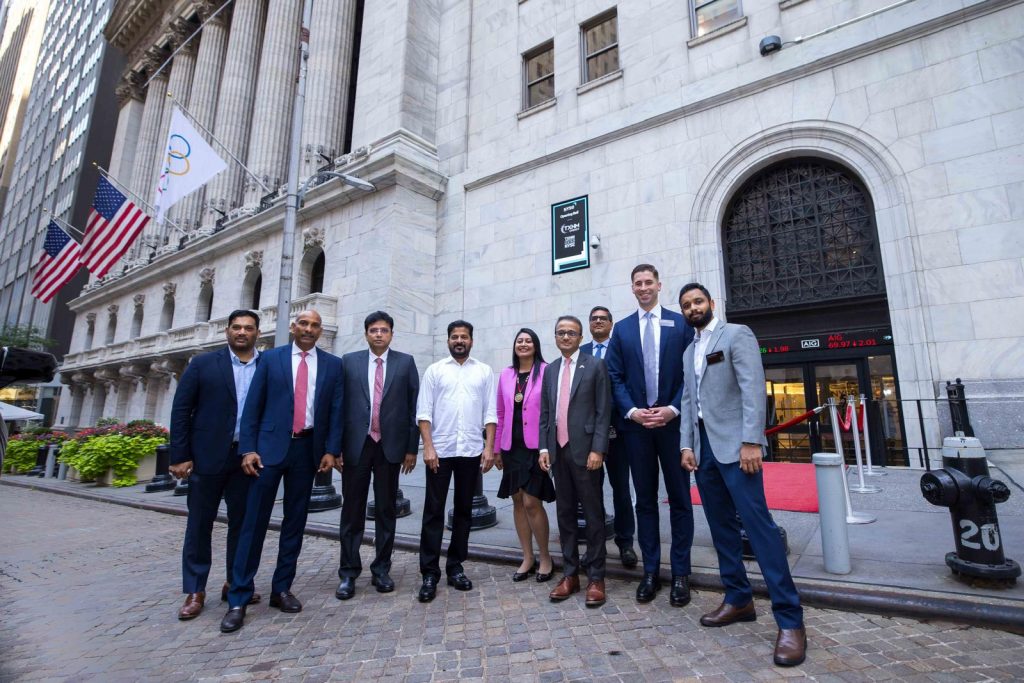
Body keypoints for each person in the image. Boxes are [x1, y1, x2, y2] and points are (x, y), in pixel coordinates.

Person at [678, 283, 806, 667]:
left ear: (711, 304)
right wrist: (686, 445)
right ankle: (738, 599)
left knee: (759, 528)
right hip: (704, 452)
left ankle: (790, 620)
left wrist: (752, 441)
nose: (692, 308)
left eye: (698, 301)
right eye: (686, 305)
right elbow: (688, 401)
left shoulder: (736, 334)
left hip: (737, 448)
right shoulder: (689, 351)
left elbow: (753, 389)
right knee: (721, 529)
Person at [220, 310, 343, 633]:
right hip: (268, 452)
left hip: (307, 451)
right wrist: (248, 448)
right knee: (253, 523)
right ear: (293, 327)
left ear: (320, 331)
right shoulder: (270, 360)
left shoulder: (332, 365)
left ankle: (281, 589)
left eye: (315, 325)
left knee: (294, 523)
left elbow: (334, 411)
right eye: (303, 323)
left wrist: (331, 450)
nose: (309, 329)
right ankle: (238, 597)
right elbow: (252, 408)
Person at [605, 264, 695, 606]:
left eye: (648, 282)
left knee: (680, 501)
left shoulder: (680, 323)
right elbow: (615, 377)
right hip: (637, 429)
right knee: (644, 501)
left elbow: (691, 373)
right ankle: (651, 571)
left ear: (659, 284)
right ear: (632, 289)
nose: (643, 288)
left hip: (673, 427)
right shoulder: (623, 330)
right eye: (637, 284)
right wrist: (632, 412)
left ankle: (681, 574)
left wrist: (673, 408)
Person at [169, 310, 262, 620]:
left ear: (257, 333)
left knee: (242, 525)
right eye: (236, 327)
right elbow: (182, 410)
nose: (242, 332)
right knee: (199, 524)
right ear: (227, 331)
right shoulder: (203, 364)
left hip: (247, 459)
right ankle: (195, 590)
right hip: (207, 457)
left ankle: (235, 582)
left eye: (248, 328)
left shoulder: (268, 365)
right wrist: (180, 455)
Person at [335, 311, 420, 600]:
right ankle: (348, 572)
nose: (379, 334)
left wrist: (411, 448)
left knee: (386, 510)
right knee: (352, 512)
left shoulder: (405, 363)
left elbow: (413, 409)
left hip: (390, 447)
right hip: (356, 447)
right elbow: (339, 407)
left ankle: (381, 569)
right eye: (374, 330)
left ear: (392, 334)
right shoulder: (349, 362)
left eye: (384, 330)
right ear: (366, 333)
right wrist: (335, 449)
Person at [415, 320, 498, 602]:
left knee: (464, 512)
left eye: (463, 337)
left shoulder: (484, 371)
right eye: (454, 337)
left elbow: (490, 413)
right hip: (440, 451)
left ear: (472, 341)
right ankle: (429, 572)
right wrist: (427, 447)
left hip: (471, 451)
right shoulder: (435, 371)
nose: (459, 340)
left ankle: (455, 567)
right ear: (448, 340)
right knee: (433, 511)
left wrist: (489, 448)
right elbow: (423, 412)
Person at [539, 316, 612, 607]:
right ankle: (570, 574)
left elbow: (603, 411)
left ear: (581, 337)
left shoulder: (595, 365)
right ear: (555, 337)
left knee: (594, 517)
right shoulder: (551, 370)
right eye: (561, 333)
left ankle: (596, 576)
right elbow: (546, 413)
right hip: (558, 452)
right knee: (565, 515)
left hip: (586, 452)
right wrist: (543, 448)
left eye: (571, 333)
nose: (566, 337)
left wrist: (599, 450)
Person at [495, 328, 555, 583]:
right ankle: (527, 556)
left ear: (536, 344)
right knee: (518, 501)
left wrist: (548, 446)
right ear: (514, 346)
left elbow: (552, 411)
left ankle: (545, 557)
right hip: (512, 447)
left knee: (532, 502)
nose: (523, 344)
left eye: (528, 340)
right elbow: (499, 412)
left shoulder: (547, 370)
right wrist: (496, 447)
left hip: (536, 447)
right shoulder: (507, 375)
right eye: (519, 340)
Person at [580, 306, 637, 568]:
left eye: (603, 318)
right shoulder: (581, 354)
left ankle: (625, 543)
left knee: (621, 489)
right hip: (589, 434)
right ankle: (595, 545)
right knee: (591, 492)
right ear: (589, 325)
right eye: (594, 319)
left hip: (620, 432)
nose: (599, 322)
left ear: (611, 324)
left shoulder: (622, 348)